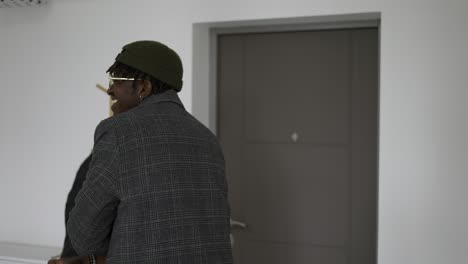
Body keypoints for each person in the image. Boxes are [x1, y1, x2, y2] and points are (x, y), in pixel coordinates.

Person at [53, 40, 233, 263]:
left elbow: (84, 236)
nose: (110, 90)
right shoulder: (207, 138)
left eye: (116, 81)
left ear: (144, 88)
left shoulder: (118, 132)